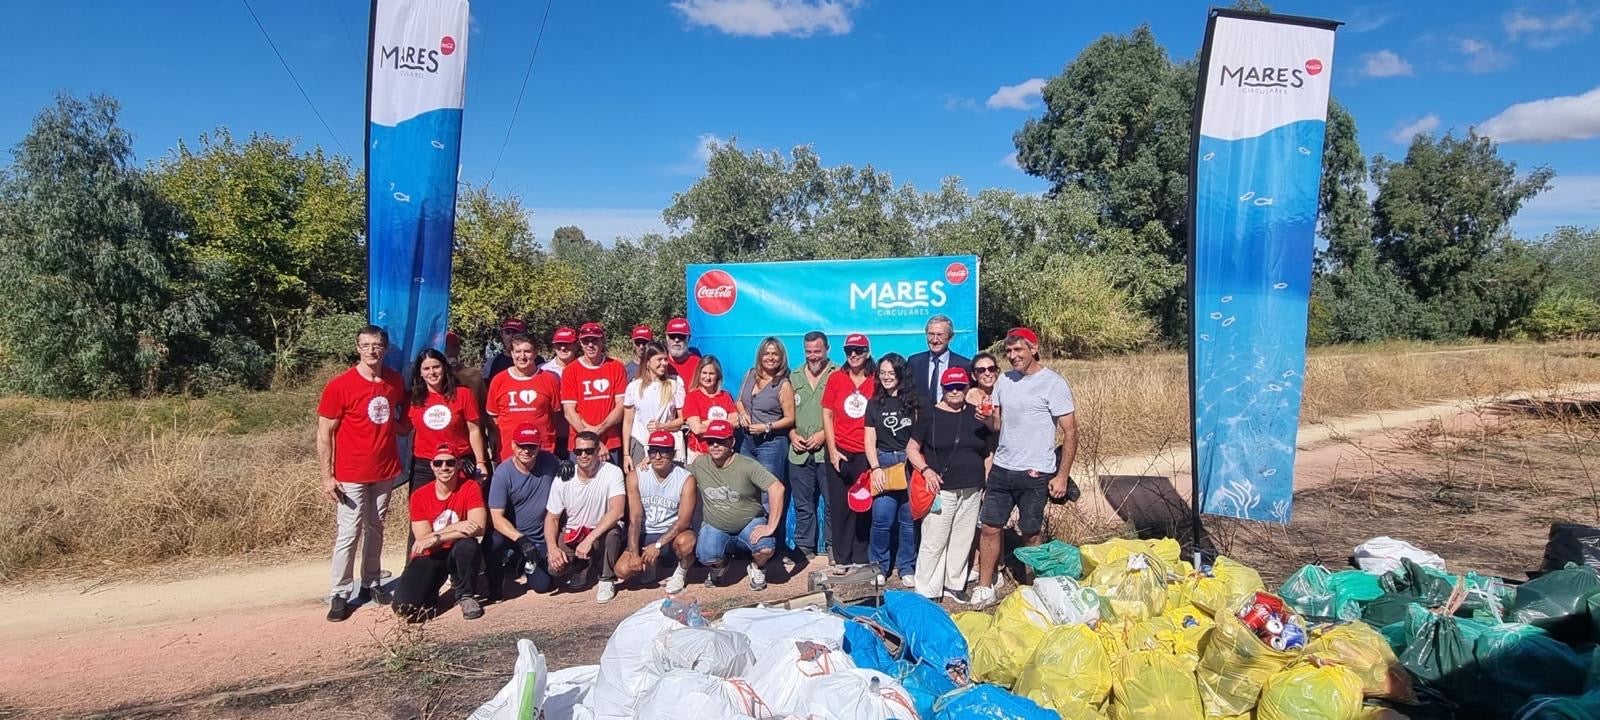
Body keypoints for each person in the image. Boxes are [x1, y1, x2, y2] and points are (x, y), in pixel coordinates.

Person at [969, 327, 1079, 609]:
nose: (1012, 355)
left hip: (1036, 471)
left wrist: (1062, 476)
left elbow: (1070, 432)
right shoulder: (1005, 381)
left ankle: (1036, 588)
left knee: (1030, 532)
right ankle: (985, 587)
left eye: (1018, 349)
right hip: (1002, 468)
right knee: (990, 526)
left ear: (1034, 348)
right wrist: (985, 419)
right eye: (1008, 351)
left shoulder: (1053, 383)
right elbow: (997, 424)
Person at [316, 324, 410, 622]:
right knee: (349, 532)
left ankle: (371, 582)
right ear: (357, 348)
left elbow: (403, 414)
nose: (372, 350)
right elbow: (324, 432)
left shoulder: (394, 381)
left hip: (384, 469)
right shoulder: (340, 385)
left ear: (386, 348)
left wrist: (400, 427)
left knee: (376, 527)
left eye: (377, 345)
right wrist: (327, 476)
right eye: (366, 345)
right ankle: (340, 592)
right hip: (350, 473)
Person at [907, 367, 991, 603]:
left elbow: (988, 451)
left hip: (972, 487)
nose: (955, 391)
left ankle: (953, 583)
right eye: (950, 387)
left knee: (962, 538)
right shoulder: (929, 415)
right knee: (934, 540)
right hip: (940, 489)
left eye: (959, 387)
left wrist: (986, 480)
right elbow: (912, 449)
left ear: (966, 388)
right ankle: (927, 589)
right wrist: (926, 470)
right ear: (942, 389)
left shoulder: (977, 415)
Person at [393, 444, 488, 622]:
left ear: (458, 464)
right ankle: (430, 592)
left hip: (457, 549)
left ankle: (466, 595)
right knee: (404, 608)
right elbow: (422, 539)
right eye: (438, 463)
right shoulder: (419, 495)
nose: (444, 467)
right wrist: (457, 527)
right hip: (432, 554)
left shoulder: (470, 487)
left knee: (468, 546)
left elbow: (479, 527)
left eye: (450, 463)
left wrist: (437, 536)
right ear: (432, 466)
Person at [692, 420, 785, 590]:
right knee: (705, 555)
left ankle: (757, 567)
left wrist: (771, 526)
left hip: (749, 522)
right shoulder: (700, 464)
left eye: (721, 441)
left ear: (732, 442)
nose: (715, 445)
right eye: (710, 441)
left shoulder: (747, 465)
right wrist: (650, 461)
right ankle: (721, 565)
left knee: (765, 549)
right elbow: (678, 474)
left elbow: (777, 488)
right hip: (715, 525)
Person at [544, 431, 628, 604]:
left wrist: (589, 539)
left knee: (612, 532)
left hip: (600, 531)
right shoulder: (563, 477)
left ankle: (606, 578)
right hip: (574, 533)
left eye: (589, 451)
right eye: (578, 451)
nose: (583, 455)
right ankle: (581, 566)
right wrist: (552, 548)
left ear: (598, 451)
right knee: (554, 569)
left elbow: (617, 511)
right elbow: (552, 518)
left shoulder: (612, 472)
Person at [485, 424, 562, 601]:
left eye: (531, 446)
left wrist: (568, 467)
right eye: (521, 446)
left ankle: (520, 563)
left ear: (539, 446)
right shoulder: (503, 473)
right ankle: (494, 585)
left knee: (543, 585)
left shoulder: (550, 462)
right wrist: (521, 539)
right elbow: (496, 518)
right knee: (494, 541)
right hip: (514, 535)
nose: (526, 451)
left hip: (540, 536)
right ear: (513, 445)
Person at [862, 352, 919, 587]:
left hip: (909, 463)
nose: (886, 377)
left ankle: (907, 566)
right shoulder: (874, 404)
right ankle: (879, 567)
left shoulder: (915, 403)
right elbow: (869, 440)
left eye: (891, 373)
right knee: (881, 519)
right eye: (882, 373)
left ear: (901, 374)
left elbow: (920, 437)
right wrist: (875, 468)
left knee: (908, 521)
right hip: (884, 463)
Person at [620, 430, 699, 595]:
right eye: (653, 451)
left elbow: (683, 521)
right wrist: (634, 552)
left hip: (671, 534)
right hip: (646, 532)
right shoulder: (635, 476)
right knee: (622, 570)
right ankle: (650, 564)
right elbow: (635, 518)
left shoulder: (686, 479)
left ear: (673, 453)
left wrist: (658, 545)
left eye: (664, 451)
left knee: (687, 543)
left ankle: (681, 572)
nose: (657, 456)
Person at [821, 332, 875, 572]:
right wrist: (832, 451)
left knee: (863, 504)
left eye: (859, 350)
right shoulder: (836, 378)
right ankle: (842, 558)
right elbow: (827, 414)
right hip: (840, 451)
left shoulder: (875, 379)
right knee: (840, 506)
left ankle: (861, 556)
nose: (854, 355)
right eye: (849, 351)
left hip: (865, 451)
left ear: (867, 352)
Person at [406, 348, 490, 494]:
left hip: (459, 462)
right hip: (425, 465)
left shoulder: (463, 394)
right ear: (420, 372)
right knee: (421, 505)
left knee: (463, 505)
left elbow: (474, 430)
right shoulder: (413, 399)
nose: (432, 372)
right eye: (426, 368)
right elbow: (403, 429)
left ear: (444, 368)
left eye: (436, 367)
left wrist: (480, 462)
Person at [787, 331, 835, 560]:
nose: (813, 356)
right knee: (803, 504)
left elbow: (844, 413)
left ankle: (834, 546)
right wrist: (791, 434)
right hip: (799, 452)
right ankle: (804, 547)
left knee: (832, 502)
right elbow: (784, 411)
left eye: (817, 351)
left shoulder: (838, 374)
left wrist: (824, 435)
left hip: (829, 451)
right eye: (808, 352)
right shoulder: (793, 376)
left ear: (827, 350)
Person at [486, 334, 562, 461]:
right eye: (518, 351)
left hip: (543, 451)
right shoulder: (499, 380)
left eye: (527, 351)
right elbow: (494, 418)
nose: (522, 356)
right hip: (509, 453)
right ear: (511, 353)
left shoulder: (549, 380)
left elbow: (554, 415)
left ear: (535, 353)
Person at [561, 323, 628, 466]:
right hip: (580, 444)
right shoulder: (570, 370)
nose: (590, 345)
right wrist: (590, 438)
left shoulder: (616, 367)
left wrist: (598, 430)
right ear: (580, 343)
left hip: (610, 442)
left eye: (595, 340)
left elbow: (621, 406)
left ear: (602, 341)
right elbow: (569, 411)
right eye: (586, 341)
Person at [737, 337, 795, 481]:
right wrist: (742, 413)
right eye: (766, 353)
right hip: (746, 442)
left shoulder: (784, 384)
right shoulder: (750, 374)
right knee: (746, 486)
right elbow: (739, 401)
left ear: (781, 358)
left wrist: (766, 427)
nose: (770, 357)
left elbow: (790, 418)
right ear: (760, 356)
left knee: (769, 489)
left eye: (775, 354)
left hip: (771, 445)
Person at [622, 341, 686, 468]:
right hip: (640, 445)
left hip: (666, 445)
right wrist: (626, 454)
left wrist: (662, 427)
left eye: (665, 359)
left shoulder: (674, 385)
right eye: (659, 359)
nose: (664, 363)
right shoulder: (634, 387)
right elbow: (628, 422)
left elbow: (683, 419)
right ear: (648, 362)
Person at [683, 355, 740, 464]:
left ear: (718, 375)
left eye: (711, 373)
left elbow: (736, 422)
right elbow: (697, 429)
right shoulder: (692, 397)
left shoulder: (726, 396)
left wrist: (707, 423)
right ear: (699, 374)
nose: (707, 377)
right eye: (704, 373)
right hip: (699, 453)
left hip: (723, 454)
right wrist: (723, 424)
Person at [906, 315, 970, 406]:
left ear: (950, 337)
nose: (935, 340)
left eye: (940, 335)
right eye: (931, 334)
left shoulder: (964, 365)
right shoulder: (914, 362)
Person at [542, 326, 578, 458]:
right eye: (559, 344)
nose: (563, 348)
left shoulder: (584, 368)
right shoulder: (543, 371)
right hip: (554, 434)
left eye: (567, 344)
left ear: (576, 345)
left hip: (578, 432)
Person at [485, 317, 526, 382]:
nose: (511, 337)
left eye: (516, 333)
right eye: (508, 333)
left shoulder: (535, 361)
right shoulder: (493, 363)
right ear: (502, 334)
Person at [664, 316, 701, 382]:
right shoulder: (659, 363)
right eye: (672, 336)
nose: (676, 340)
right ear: (667, 337)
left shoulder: (699, 365)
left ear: (688, 338)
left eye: (681, 336)